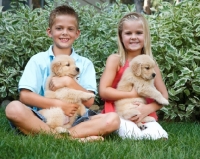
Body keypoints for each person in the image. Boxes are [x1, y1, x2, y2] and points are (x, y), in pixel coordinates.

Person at [5, 5, 120, 141]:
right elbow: (25, 96)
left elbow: (89, 101)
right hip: (44, 117)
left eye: (70, 29)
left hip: (77, 118)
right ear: (49, 32)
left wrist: (69, 82)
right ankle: (69, 137)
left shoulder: (85, 63)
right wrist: (60, 105)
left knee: (113, 119)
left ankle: (53, 135)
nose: (64, 32)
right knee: (13, 108)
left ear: (77, 33)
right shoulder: (38, 60)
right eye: (59, 28)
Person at [99, 12, 168, 140]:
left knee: (159, 135)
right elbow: (104, 91)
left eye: (139, 33)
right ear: (121, 36)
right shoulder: (116, 60)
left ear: (146, 36)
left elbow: (163, 96)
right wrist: (132, 94)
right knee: (132, 135)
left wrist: (146, 109)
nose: (133, 37)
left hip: (143, 113)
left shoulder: (151, 64)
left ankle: (145, 127)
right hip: (118, 113)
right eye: (128, 33)